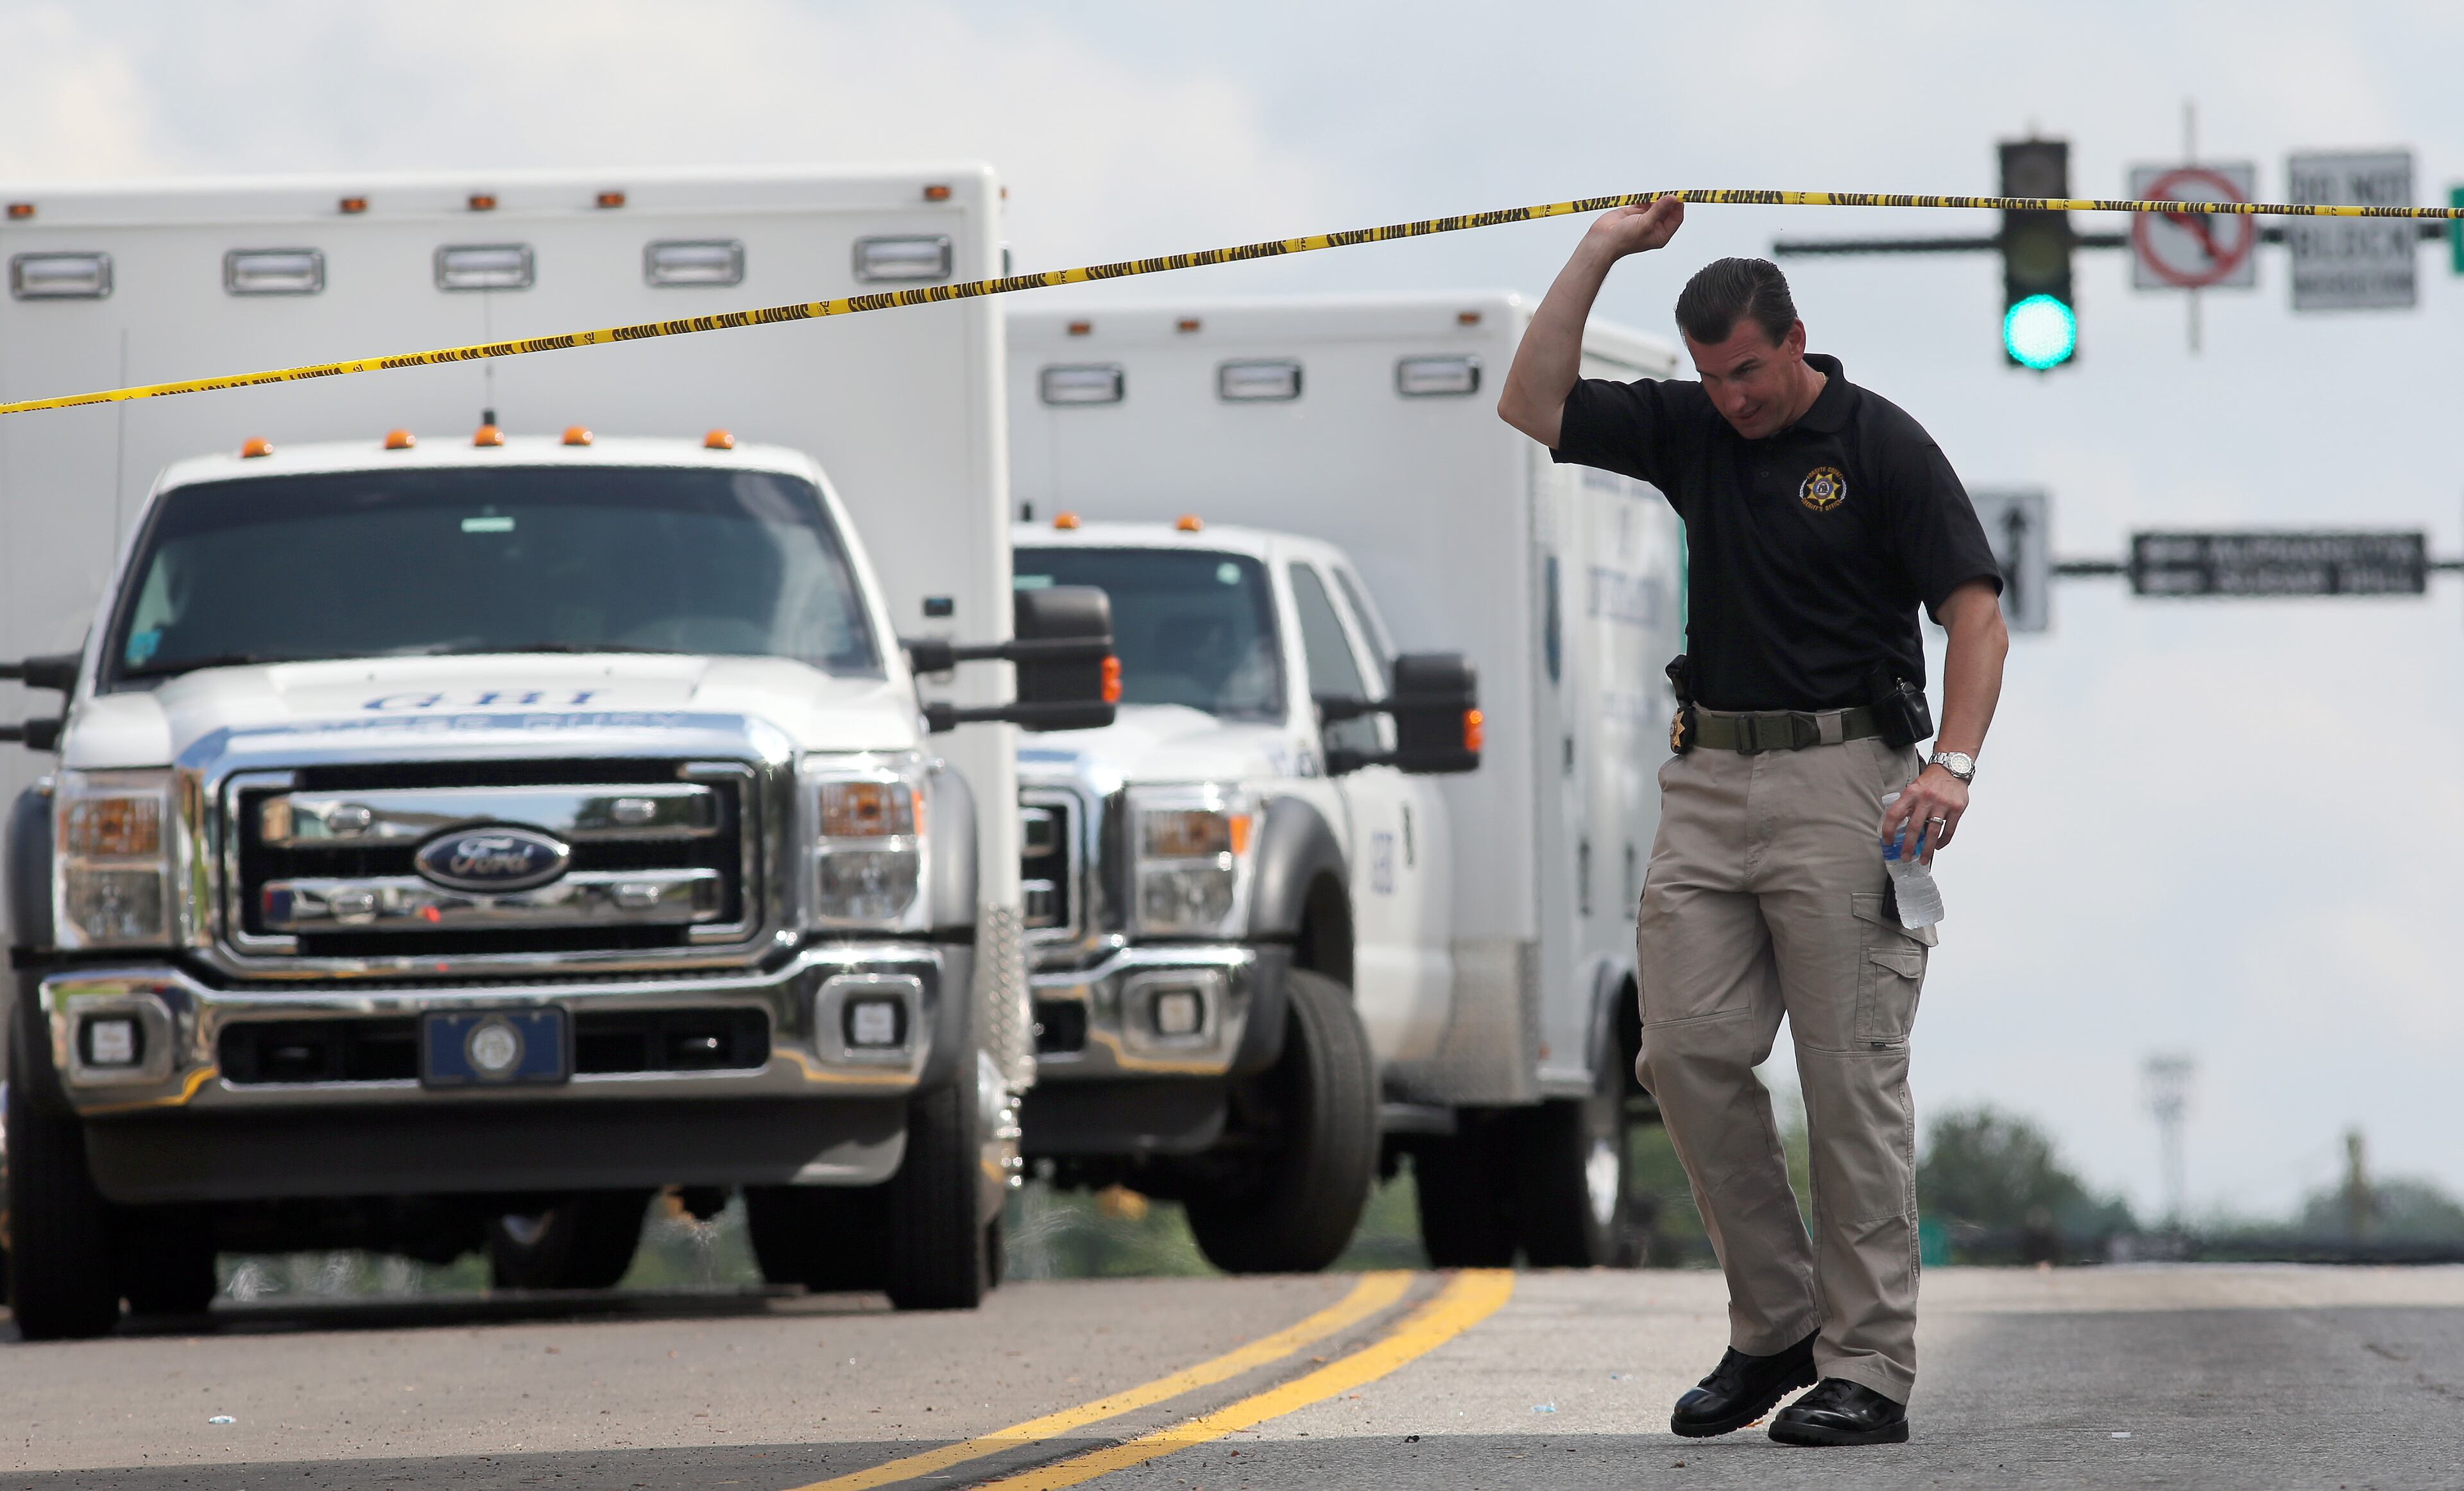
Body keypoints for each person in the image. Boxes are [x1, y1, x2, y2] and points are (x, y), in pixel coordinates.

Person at [1498, 196, 2009, 1448]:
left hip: (1853, 784)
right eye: (1709, 378)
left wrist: (1952, 764)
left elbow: (1976, 611)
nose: (1729, 398)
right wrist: (1602, 248)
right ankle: (1776, 1322)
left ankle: (1869, 1367)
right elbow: (1532, 401)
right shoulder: (1693, 433)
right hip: (1712, 781)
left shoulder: (1880, 444)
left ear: (1794, 343)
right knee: (1680, 1052)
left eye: (1744, 372)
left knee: (1848, 1083)